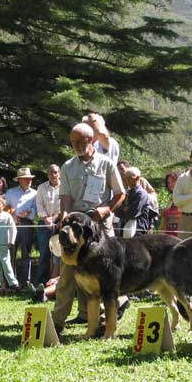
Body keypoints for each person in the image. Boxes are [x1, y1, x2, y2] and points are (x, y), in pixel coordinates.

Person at [52, 122, 126, 334]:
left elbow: (120, 194)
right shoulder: (67, 167)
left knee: (105, 275)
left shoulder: (107, 164)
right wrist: (64, 217)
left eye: (79, 141)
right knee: (67, 275)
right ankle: (58, 321)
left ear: (91, 140)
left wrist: (107, 209)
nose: (75, 145)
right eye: (72, 141)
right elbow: (65, 198)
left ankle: (103, 321)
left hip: (100, 226)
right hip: (75, 228)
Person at [5, 167, 38, 291]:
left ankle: (25, 281)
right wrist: (12, 216)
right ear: (19, 180)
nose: (29, 180)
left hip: (26, 223)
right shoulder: (10, 192)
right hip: (11, 224)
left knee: (26, 252)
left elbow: (36, 210)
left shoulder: (35, 193)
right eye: (26, 179)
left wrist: (28, 212)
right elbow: (4, 207)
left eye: (29, 178)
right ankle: (12, 281)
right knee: (11, 252)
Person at [35, 164, 61, 290]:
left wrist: (55, 218)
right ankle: (41, 283)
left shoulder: (65, 186)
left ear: (59, 173)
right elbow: (39, 205)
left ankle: (57, 284)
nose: (53, 174)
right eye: (51, 172)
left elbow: (65, 205)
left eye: (55, 172)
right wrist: (46, 219)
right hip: (43, 223)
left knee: (58, 254)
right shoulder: (41, 187)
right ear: (48, 174)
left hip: (60, 223)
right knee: (44, 253)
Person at [115, 167, 150, 237]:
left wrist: (124, 209)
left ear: (137, 178)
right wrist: (123, 209)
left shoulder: (141, 194)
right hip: (124, 228)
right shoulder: (127, 193)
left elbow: (134, 212)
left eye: (129, 177)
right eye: (126, 177)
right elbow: (117, 211)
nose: (127, 180)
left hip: (138, 230)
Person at [161, 171, 181, 237]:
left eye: (173, 181)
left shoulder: (184, 197)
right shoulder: (171, 199)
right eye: (169, 182)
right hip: (168, 235)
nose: (170, 184)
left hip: (181, 234)